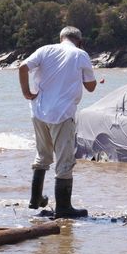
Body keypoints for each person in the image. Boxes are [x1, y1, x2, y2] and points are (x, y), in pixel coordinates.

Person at [19, 26, 97, 219]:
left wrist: (26, 93)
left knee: (42, 155)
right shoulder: (81, 55)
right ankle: (64, 207)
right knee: (64, 160)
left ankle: (35, 199)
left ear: (61, 38)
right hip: (62, 113)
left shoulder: (45, 50)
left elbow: (22, 67)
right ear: (80, 41)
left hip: (38, 111)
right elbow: (91, 87)